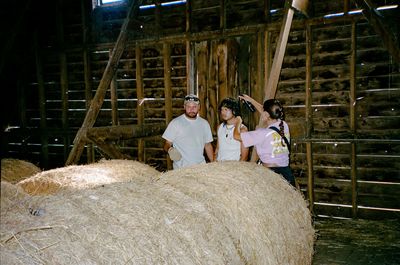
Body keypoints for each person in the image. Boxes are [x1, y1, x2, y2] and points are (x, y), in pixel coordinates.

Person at [233, 94, 295, 187]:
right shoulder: (283, 125)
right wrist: (251, 100)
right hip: (286, 173)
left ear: (266, 114)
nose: (261, 112)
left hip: (271, 174)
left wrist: (238, 122)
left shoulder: (262, 133)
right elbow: (267, 111)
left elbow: (236, 136)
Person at [162, 94, 214, 169]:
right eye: (188, 107)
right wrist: (170, 150)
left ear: (199, 107)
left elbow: (208, 145)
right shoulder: (176, 123)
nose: (191, 109)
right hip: (181, 169)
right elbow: (167, 144)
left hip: (201, 168)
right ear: (184, 107)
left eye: (194, 107)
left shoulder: (204, 124)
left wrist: (213, 163)